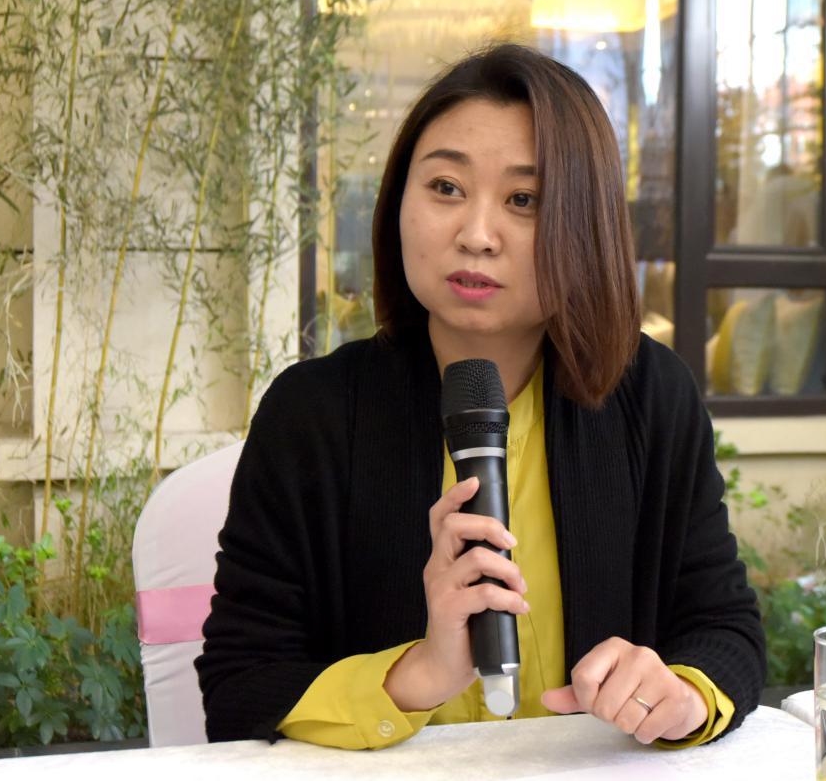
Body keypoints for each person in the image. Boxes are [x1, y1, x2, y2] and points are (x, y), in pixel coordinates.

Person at [195, 43, 766, 751]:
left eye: (524, 200)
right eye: (445, 187)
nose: (475, 236)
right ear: (398, 201)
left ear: (584, 224)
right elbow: (239, 686)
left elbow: (724, 630)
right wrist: (419, 672)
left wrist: (679, 696)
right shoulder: (311, 413)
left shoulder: (650, 396)